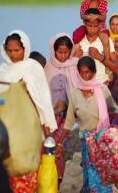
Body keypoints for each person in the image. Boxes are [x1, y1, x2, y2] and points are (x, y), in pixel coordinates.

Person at [0, 30, 57, 191]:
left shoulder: (33, 68)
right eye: (10, 50)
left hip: (31, 127)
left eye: (17, 50)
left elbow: (42, 101)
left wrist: (47, 132)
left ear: (25, 49)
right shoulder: (4, 70)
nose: (13, 54)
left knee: (32, 171)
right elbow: (0, 101)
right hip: (10, 128)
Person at [57, 56, 118, 192]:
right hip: (85, 141)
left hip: (102, 141)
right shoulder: (74, 93)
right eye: (82, 72)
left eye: (88, 72)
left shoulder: (102, 90)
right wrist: (60, 142)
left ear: (94, 72)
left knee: (101, 177)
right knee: (89, 176)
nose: (85, 75)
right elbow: (69, 120)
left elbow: (114, 111)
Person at [44, 33, 80, 182]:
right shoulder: (47, 67)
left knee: (60, 146)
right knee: (48, 144)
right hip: (49, 115)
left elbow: (77, 87)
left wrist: (66, 106)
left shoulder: (75, 64)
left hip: (66, 115)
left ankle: (58, 178)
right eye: (60, 52)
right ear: (54, 50)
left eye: (66, 52)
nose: (63, 56)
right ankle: (48, 177)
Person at [77, 14, 118, 83]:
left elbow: (117, 69)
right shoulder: (79, 42)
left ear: (100, 25)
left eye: (95, 26)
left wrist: (99, 57)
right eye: (89, 25)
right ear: (84, 23)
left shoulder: (107, 41)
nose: (92, 29)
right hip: (83, 86)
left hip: (102, 85)